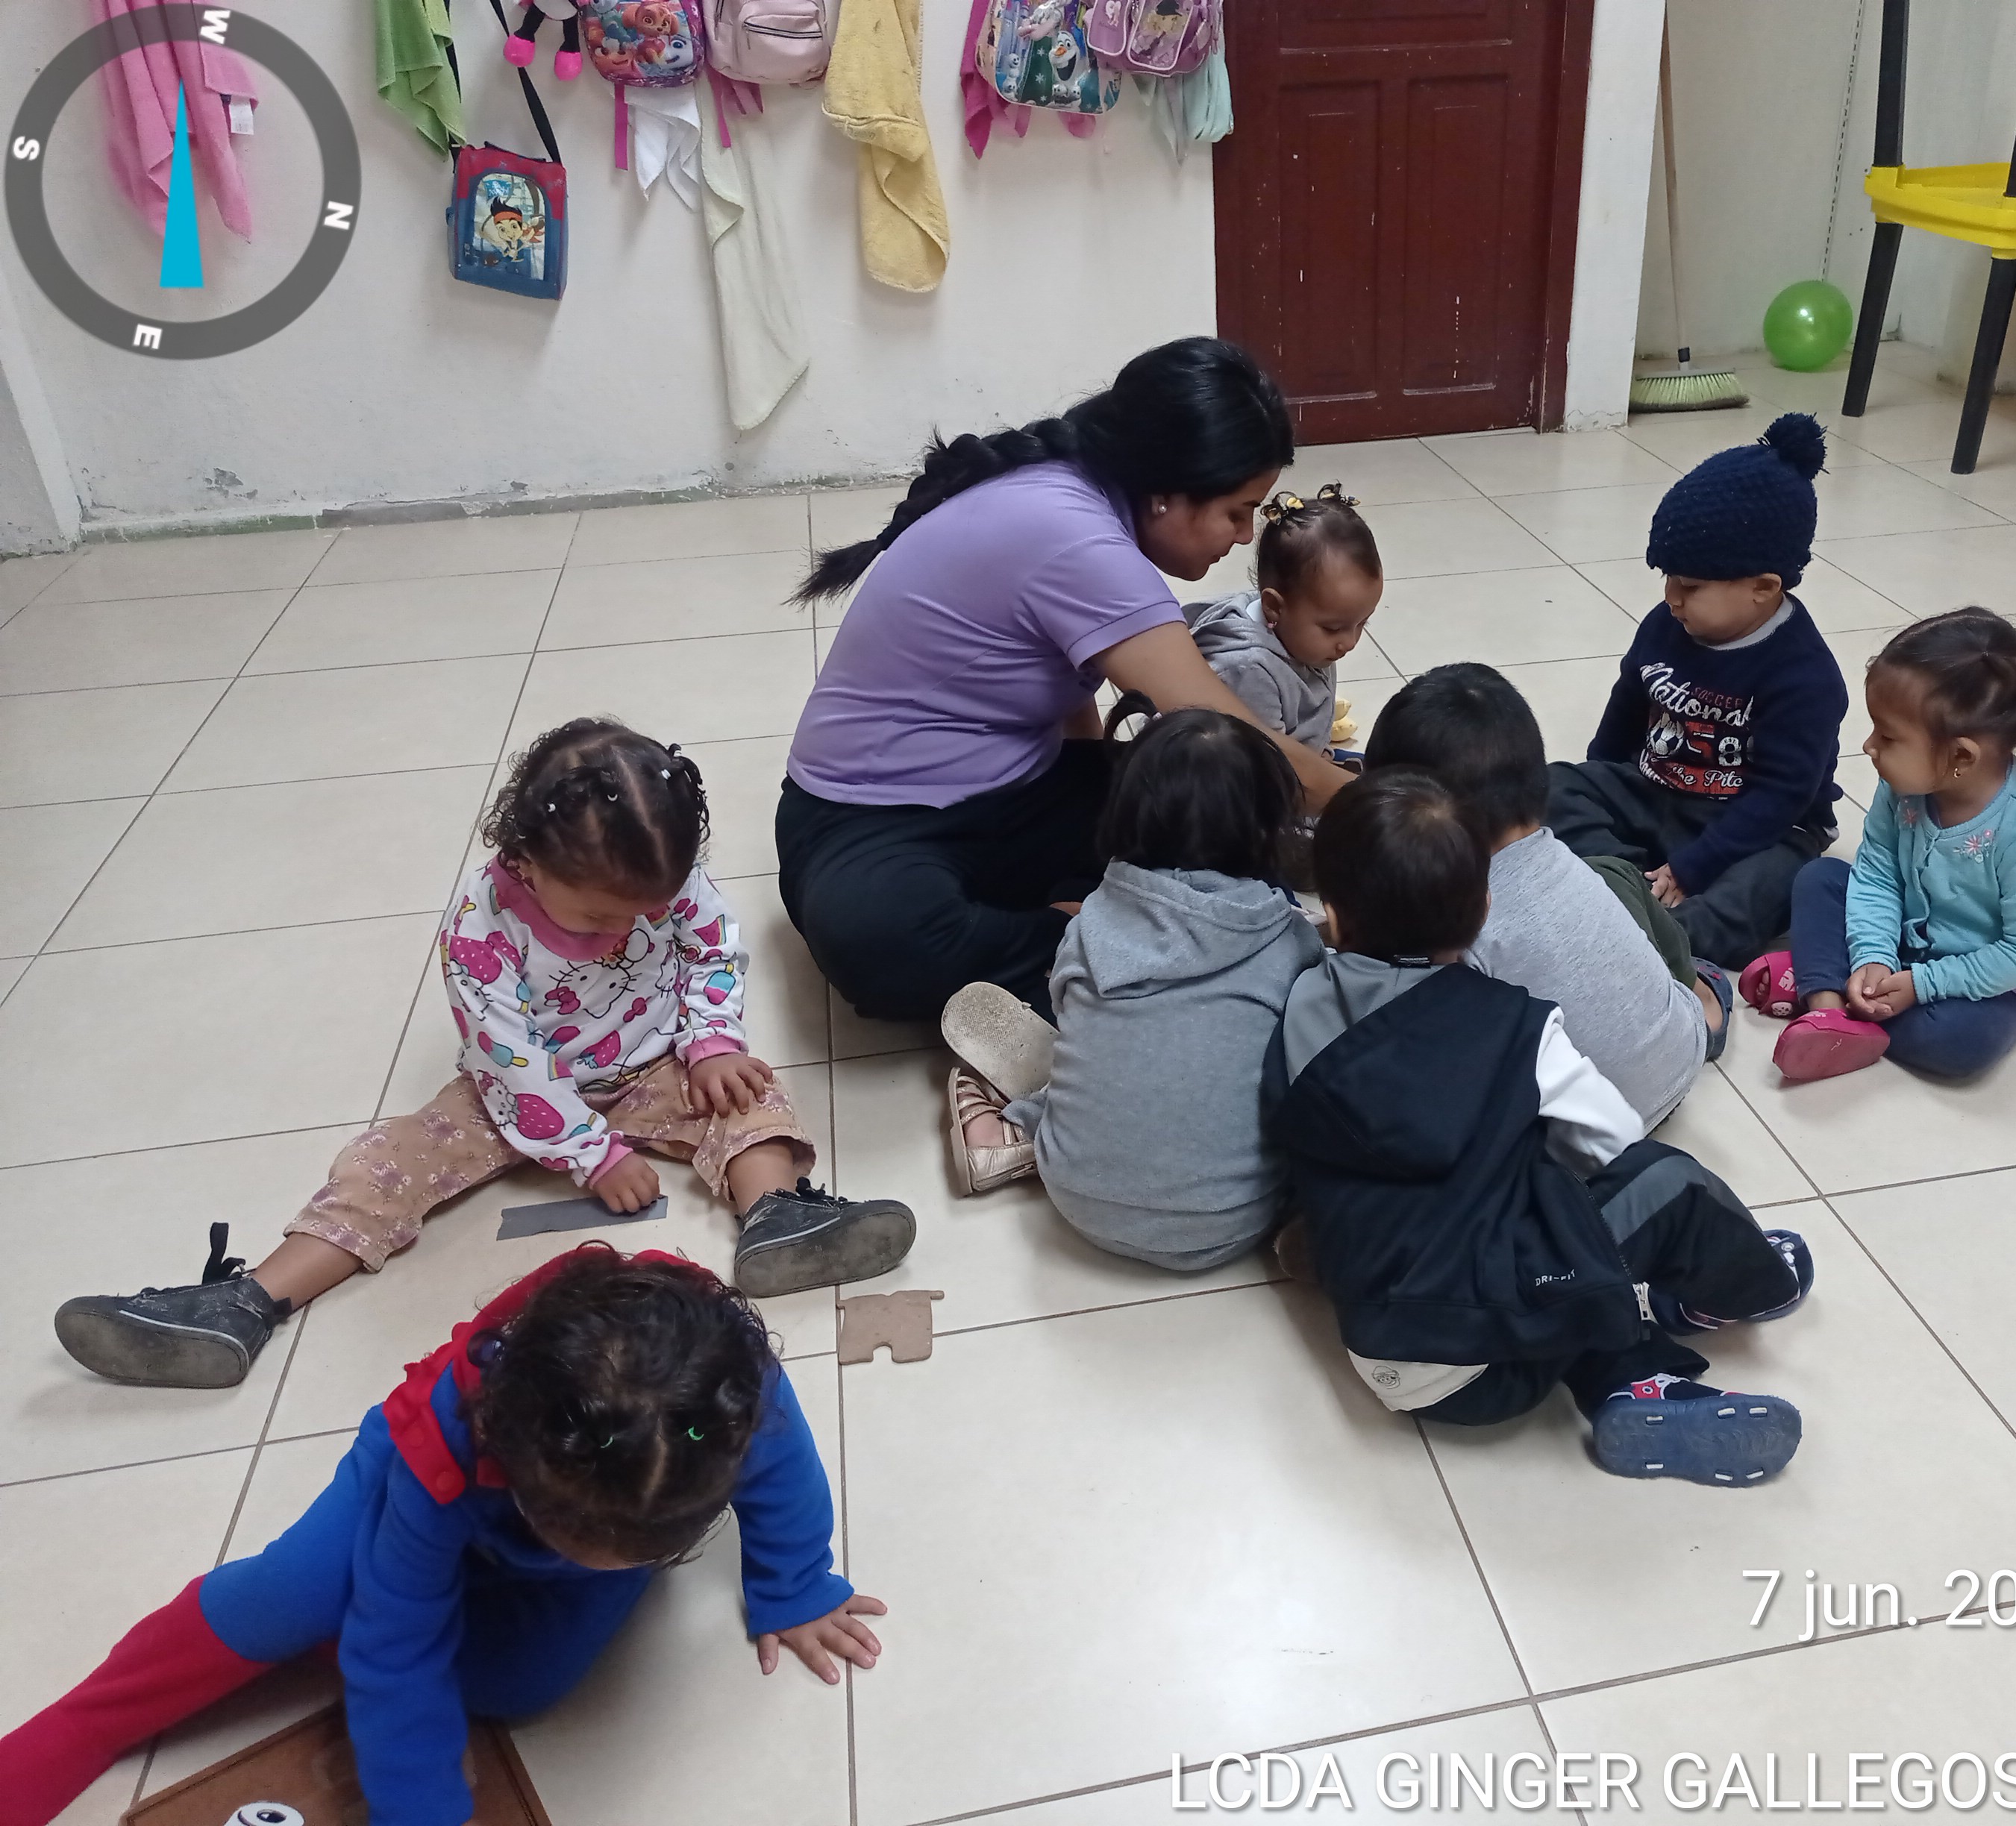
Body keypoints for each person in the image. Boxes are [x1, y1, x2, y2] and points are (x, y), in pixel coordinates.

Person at [54, 719, 914, 1390]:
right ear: (525, 863)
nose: (626, 930)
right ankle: (245, 1304)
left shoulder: (661, 871)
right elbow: (510, 1060)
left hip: (657, 1062)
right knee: (384, 1162)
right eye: (599, 918)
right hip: (519, 1090)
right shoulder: (480, 927)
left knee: (754, 1098)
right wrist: (593, 1155)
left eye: (645, 911)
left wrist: (711, 1042)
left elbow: (711, 949)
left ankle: (780, 1219)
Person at [3, 1247, 886, 1826]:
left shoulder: (727, 1392)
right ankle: (89, 1721)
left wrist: (795, 1587)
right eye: (572, 1538)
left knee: (520, 1688)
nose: (582, 1557)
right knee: (288, 1598)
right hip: (423, 1480)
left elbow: (789, 1482)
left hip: (576, 1500)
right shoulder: (448, 1449)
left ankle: (429, 1611)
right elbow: (396, 1649)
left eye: (638, 1553)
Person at [778, 338, 1354, 1026]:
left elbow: (1078, 703)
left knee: (1203, 808)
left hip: (1012, 788)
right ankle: (1098, 936)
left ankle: (1082, 931)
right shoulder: (1073, 534)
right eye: (1237, 511)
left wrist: (1097, 802)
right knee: (881, 943)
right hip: (868, 816)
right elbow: (1220, 723)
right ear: (1165, 494)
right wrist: (1374, 806)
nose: (1242, 536)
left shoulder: (1076, 493)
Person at [1264, 769, 1813, 1483]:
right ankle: (1747, 1285)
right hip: (1492, 1356)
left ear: (1333, 916)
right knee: (1667, 1182)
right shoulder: (1520, 1027)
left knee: (1529, 1251)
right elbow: (1614, 1142)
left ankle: (1636, 1385)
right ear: (1484, 909)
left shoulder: (1301, 1002)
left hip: (1381, 1342)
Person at [938, 707, 1323, 1270]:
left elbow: (1074, 1018)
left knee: (1088, 1054)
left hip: (1078, 1198)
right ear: (1269, 829)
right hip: (1236, 1219)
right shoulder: (1290, 939)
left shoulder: (1090, 925)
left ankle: (1012, 1128)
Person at [1364, 662, 1728, 1126]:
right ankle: (1708, 1000)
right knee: (1616, 882)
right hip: (1679, 1062)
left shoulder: (1450, 918)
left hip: (1585, 1134)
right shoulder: (1565, 860)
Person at [1544, 413, 1845, 970]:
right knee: (1548, 786)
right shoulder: (1666, 624)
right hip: (1660, 791)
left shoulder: (1806, 677)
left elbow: (1782, 796)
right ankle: (1626, 884)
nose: (1671, 597)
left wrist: (1695, 867)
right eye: (1667, 578)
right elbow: (1626, 706)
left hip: (1759, 824)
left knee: (1778, 882)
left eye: (1690, 585)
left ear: (1763, 588)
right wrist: (1603, 780)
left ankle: (1670, 934)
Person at [1742, 608, 2016, 1085]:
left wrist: (1923, 984)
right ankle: (1828, 1006)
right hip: (1904, 943)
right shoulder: (1904, 785)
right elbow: (1877, 874)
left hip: (1991, 980)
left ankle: (1822, 985)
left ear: (1961, 755)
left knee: (1966, 1043)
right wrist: (1873, 957)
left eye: (1888, 735)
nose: (1869, 746)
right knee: (1821, 877)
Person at [1186, 483, 1381, 751]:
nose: (1350, 642)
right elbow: (1269, 760)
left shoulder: (1301, 631)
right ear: (1273, 607)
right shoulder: (1248, 670)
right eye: (1333, 628)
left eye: (1362, 623)